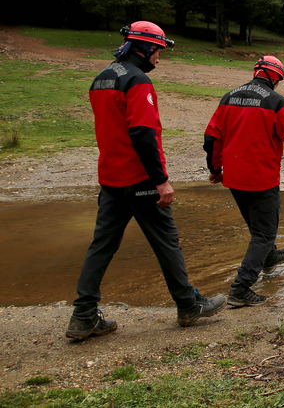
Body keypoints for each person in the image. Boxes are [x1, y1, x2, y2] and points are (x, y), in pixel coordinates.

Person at [66, 21, 226, 341]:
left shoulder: (102, 78)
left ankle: (83, 315)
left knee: (102, 245)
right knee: (166, 241)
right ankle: (187, 304)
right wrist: (161, 181)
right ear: (147, 48)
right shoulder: (137, 82)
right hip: (139, 178)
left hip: (110, 177)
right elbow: (143, 134)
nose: (159, 58)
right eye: (159, 51)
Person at [204, 56, 284, 307]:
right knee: (264, 233)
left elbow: (212, 136)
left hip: (234, 178)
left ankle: (269, 258)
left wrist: (215, 168)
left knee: (258, 230)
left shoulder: (228, 97)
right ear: (275, 77)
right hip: (262, 178)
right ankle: (241, 287)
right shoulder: (276, 101)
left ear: (257, 71)